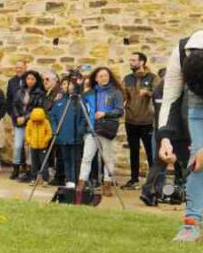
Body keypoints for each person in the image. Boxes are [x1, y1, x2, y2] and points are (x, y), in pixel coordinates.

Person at [157, 30, 203, 242]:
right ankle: (191, 224)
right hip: (196, 105)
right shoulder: (181, 51)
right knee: (197, 161)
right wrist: (165, 137)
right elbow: (171, 99)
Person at [77, 67, 125, 197]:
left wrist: (105, 113)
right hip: (91, 130)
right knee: (86, 157)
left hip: (106, 129)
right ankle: (81, 184)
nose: (104, 78)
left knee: (108, 158)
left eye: (106, 75)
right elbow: (80, 106)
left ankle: (107, 184)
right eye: (101, 76)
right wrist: (80, 85)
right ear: (96, 78)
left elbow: (120, 111)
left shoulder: (116, 92)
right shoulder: (89, 93)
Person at [121, 52, 159, 190]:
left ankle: (153, 182)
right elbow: (123, 98)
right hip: (131, 121)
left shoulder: (153, 78)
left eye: (133, 60)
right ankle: (134, 179)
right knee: (133, 152)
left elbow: (159, 95)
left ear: (142, 62)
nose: (130, 62)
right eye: (130, 60)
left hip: (147, 122)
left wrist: (148, 93)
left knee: (151, 153)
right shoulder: (127, 78)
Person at [48, 76, 85, 188]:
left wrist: (80, 130)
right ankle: (69, 180)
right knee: (66, 159)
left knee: (76, 160)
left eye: (68, 84)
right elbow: (53, 116)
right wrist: (55, 129)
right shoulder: (59, 101)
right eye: (64, 84)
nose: (66, 87)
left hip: (75, 136)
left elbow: (84, 117)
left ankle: (77, 180)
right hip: (62, 136)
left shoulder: (78, 101)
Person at [11, 70, 45, 182]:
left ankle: (30, 169)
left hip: (32, 123)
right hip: (19, 122)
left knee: (30, 147)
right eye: (28, 79)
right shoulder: (20, 91)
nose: (30, 81)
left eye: (32, 79)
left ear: (36, 80)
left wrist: (25, 118)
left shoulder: (39, 93)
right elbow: (15, 104)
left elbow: (37, 108)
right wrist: (17, 117)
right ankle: (16, 168)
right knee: (17, 145)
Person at [26, 107, 52, 184]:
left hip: (43, 147)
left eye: (38, 121)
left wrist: (45, 141)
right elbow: (27, 133)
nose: (36, 122)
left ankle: (45, 179)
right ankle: (33, 178)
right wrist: (29, 141)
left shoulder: (46, 122)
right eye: (35, 121)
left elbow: (49, 133)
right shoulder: (30, 122)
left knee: (44, 163)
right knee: (34, 163)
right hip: (33, 146)